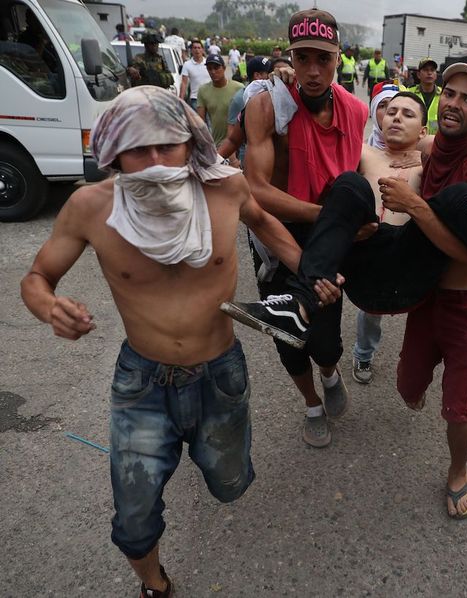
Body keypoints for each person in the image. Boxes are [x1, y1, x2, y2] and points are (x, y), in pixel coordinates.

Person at [222, 64, 467, 519]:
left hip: (421, 275)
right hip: (372, 269)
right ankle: (299, 301)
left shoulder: (463, 159)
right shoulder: (378, 152)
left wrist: (445, 180)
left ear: (426, 126)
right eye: (447, 95)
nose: (399, 118)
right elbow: (315, 137)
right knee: (349, 186)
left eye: (466, 99)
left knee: (453, 198)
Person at [19, 85, 338, 598]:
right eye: (138, 148)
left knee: (229, 483)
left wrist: (310, 268)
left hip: (221, 374)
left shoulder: (226, 188)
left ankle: (199, 457)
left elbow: (266, 224)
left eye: (167, 144)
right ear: (113, 151)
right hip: (142, 383)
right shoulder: (90, 207)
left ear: (190, 142)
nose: (155, 160)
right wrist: (47, 306)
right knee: (134, 516)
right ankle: (155, 585)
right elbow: (36, 276)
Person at [240, 8, 368, 448]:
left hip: (325, 238)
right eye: (302, 59)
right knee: (287, 334)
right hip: (276, 234)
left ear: (338, 57)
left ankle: (330, 372)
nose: (312, 72)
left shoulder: (355, 110)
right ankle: (312, 402)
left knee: (327, 338)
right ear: (289, 57)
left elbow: (367, 166)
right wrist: (328, 215)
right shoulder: (265, 107)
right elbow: (255, 190)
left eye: (324, 59)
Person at [351, 83, 400, 384]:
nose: (392, 116)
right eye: (384, 107)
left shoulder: (421, 153)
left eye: (399, 109)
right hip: (370, 242)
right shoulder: (360, 151)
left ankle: (417, 365)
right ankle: (363, 354)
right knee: (373, 306)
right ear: (374, 112)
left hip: (407, 243)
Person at [216, 56, 274, 167]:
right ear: (257, 76)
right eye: (268, 73)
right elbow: (232, 134)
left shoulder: (272, 96)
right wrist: (233, 161)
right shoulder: (240, 99)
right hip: (247, 155)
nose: (272, 77)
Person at [196, 54, 244, 147]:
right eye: (209, 69)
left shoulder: (239, 88)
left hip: (239, 143)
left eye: (216, 67)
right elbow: (201, 122)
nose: (213, 71)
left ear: (224, 68)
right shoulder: (203, 90)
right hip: (218, 144)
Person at [408, 58, 442, 134]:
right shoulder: (409, 93)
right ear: (418, 74)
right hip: (414, 139)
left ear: (436, 75)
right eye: (426, 70)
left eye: (432, 70)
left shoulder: (443, 94)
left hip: (434, 140)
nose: (429, 73)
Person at [180, 39, 212, 110]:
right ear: (191, 50)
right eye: (194, 48)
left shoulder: (209, 63)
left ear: (202, 50)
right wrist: (181, 99)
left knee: (209, 121)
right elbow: (184, 83)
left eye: (199, 48)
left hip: (210, 98)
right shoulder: (187, 65)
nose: (197, 50)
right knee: (198, 120)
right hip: (195, 99)